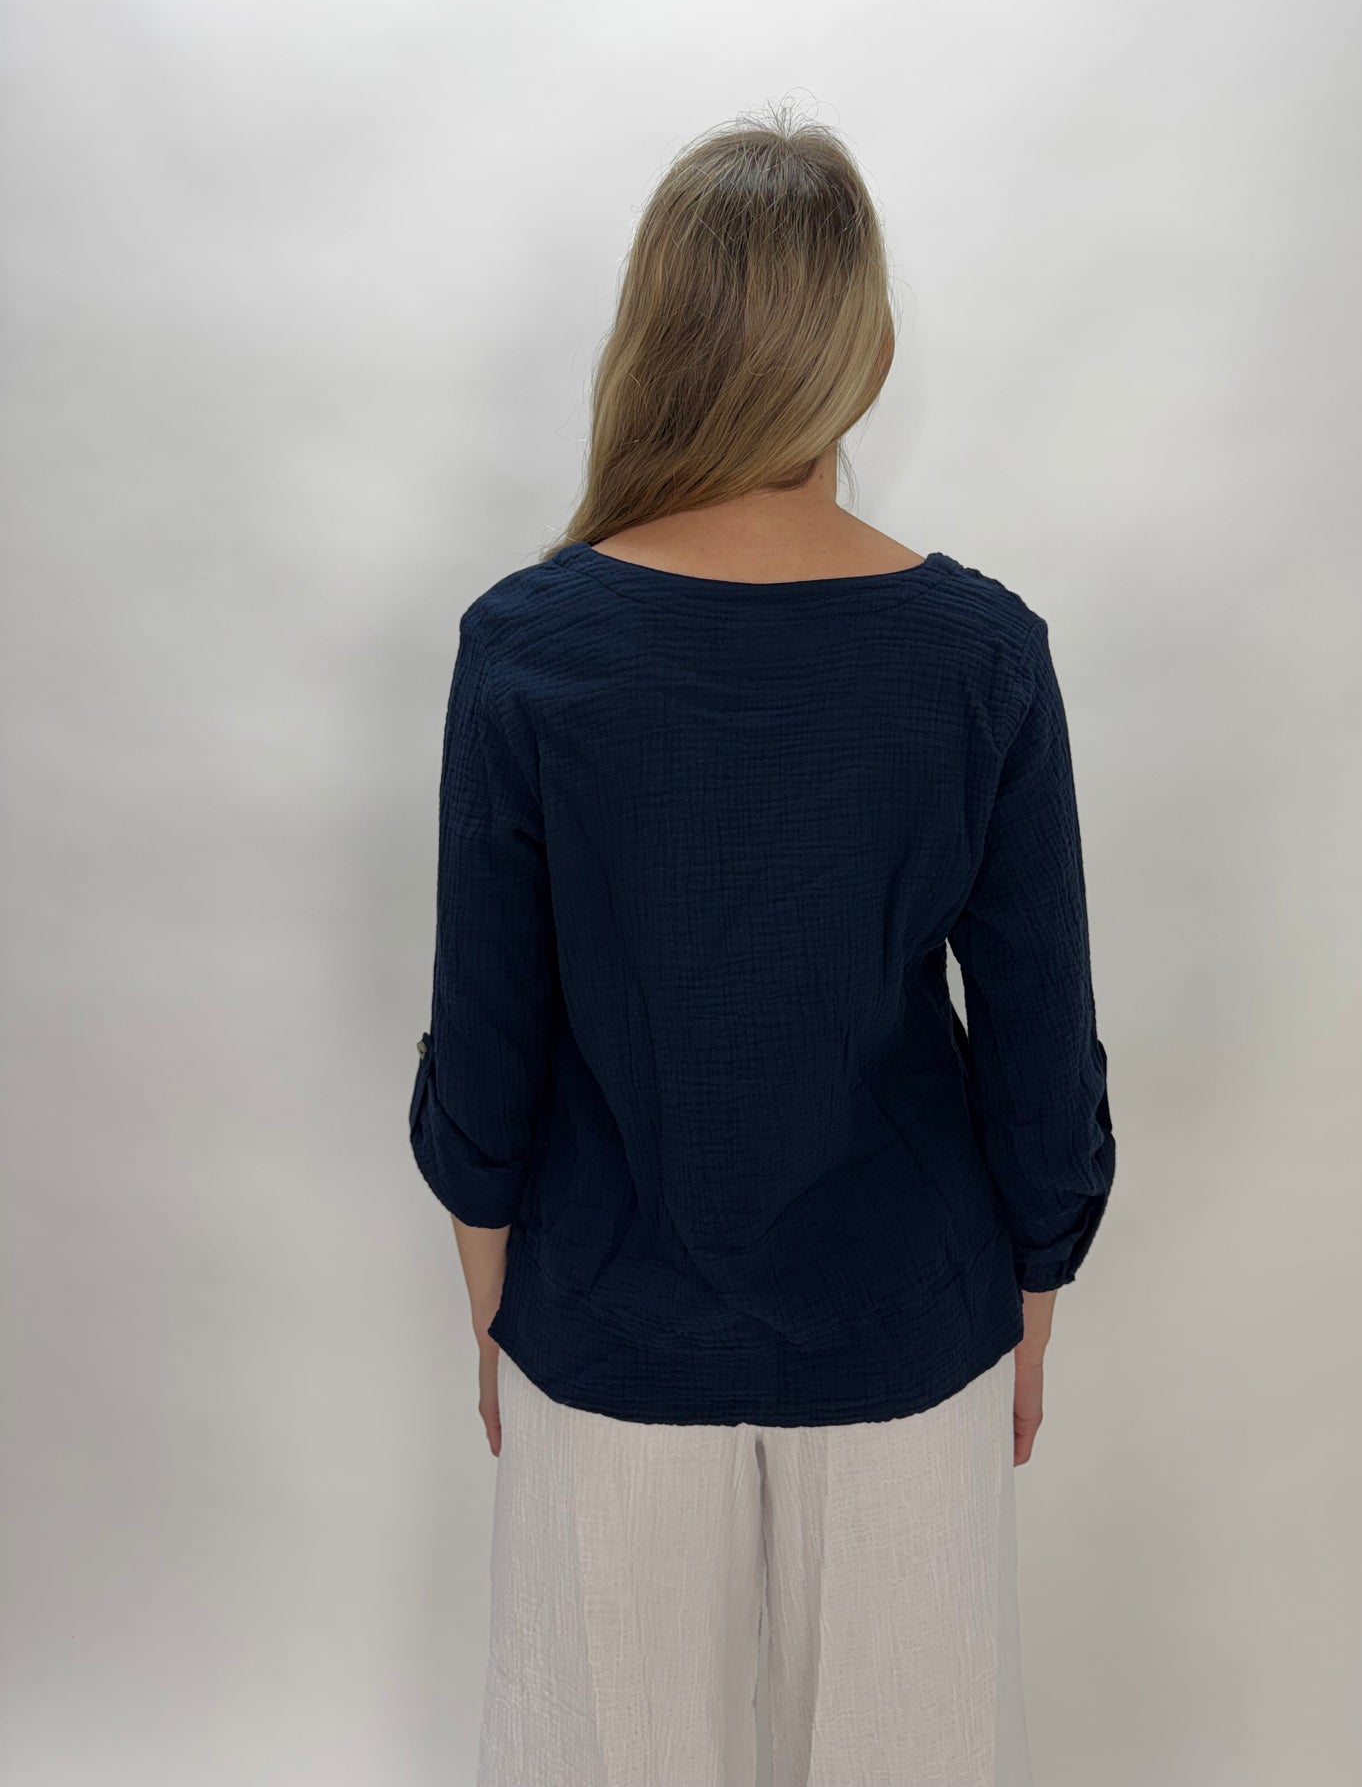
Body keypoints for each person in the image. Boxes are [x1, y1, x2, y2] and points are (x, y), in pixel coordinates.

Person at [407, 106, 1117, 1787]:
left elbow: (486, 1039)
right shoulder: (979, 656)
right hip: (909, 1316)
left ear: (656, 337)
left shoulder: (528, 649)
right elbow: (1038, 1038)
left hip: (605, 1317)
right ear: (864, 352)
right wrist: (1035, 1286)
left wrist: (495, 1298)